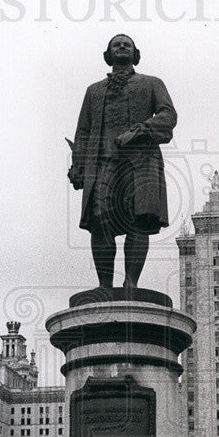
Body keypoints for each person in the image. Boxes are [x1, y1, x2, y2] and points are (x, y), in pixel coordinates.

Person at [68, 34, 177, 290]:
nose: (121, 47)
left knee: (139, 220)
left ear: (135, 53)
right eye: (116, 44)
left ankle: (131, 283)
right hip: (103, 163)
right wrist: (79, 165)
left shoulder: (151, 83)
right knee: (100, 220)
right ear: (108, 54)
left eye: (126, 44)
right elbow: (83, 131)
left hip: (140, 163)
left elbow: (168, 115)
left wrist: (141, 129)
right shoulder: (94, 91)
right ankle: (104, 285)